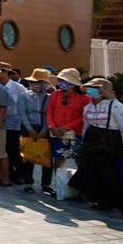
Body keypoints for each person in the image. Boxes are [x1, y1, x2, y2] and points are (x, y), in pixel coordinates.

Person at [69, 78, 123, 219]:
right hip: (92, 143)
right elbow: (86, 125)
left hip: (111, 143)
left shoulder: (116, 106)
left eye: (94, 88)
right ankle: (104, 201)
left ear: (102, 90)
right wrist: (83, 142)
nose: (90, 91)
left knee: (115, 175)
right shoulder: (89, 106)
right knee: (96, 173)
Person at [46, 68, 89, 197]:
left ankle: (82, 190)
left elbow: (84, 116)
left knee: (79, 161)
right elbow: (49, 112)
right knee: (58, 160)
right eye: (60, 80)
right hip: (56, 133)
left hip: (76, 134)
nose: (62, 83)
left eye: (65, 81)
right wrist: (52, 126)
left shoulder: (84, 98)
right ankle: (59, 187)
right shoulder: (55, 95)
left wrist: (66, 127)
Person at [19, 68, 53, 193]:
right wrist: (30, 129)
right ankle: (28, 182)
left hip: (44, 128)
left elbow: (49, 115)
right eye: (32, 82)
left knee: (46, 156)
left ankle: (46, 183)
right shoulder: (24, 96)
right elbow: (22, 114)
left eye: (38, 83)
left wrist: (44, 130)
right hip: (28, 127)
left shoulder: (49, 98)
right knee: (28, 156)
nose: (34, 85)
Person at [0, 62, 28, 184]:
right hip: (0, 123)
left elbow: (24, 105)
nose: (0, 74)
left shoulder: (19, 88)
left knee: (14, 150)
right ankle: (7, 173)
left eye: (2, 71)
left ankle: (20, 174)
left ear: (8, 73)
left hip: (15, 123)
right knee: (2, 150)